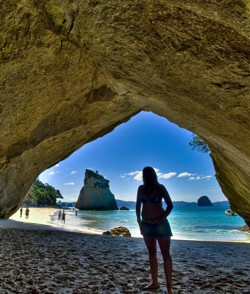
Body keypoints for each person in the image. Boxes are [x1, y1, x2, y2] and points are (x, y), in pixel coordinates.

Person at [136, 166, 173, 294]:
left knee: (165, 254)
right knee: (152, 253)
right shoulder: (141, 189)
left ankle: (169, 287)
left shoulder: (160, 188)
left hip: (161, 224)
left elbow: (170, 205)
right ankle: (155, 282)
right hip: (146, 224)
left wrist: (161, 218)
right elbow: (137, 206)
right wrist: (139, 222)